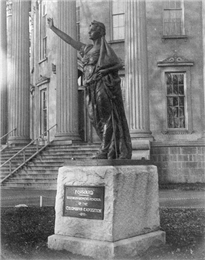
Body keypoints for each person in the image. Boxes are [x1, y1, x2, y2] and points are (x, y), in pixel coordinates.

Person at [47, 18, 132, 159]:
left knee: (107, 119)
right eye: (89, 30)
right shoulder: (87, 49)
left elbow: (118, 64)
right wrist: (53, 28)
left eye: (92, 30)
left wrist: (103, 72)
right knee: (94, 118)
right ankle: (109, 147)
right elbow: (70, 41)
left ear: (100, 32)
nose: (89, 32)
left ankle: (105, 151)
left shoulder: (105, 50)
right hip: (89, 88)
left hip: (101, 86)